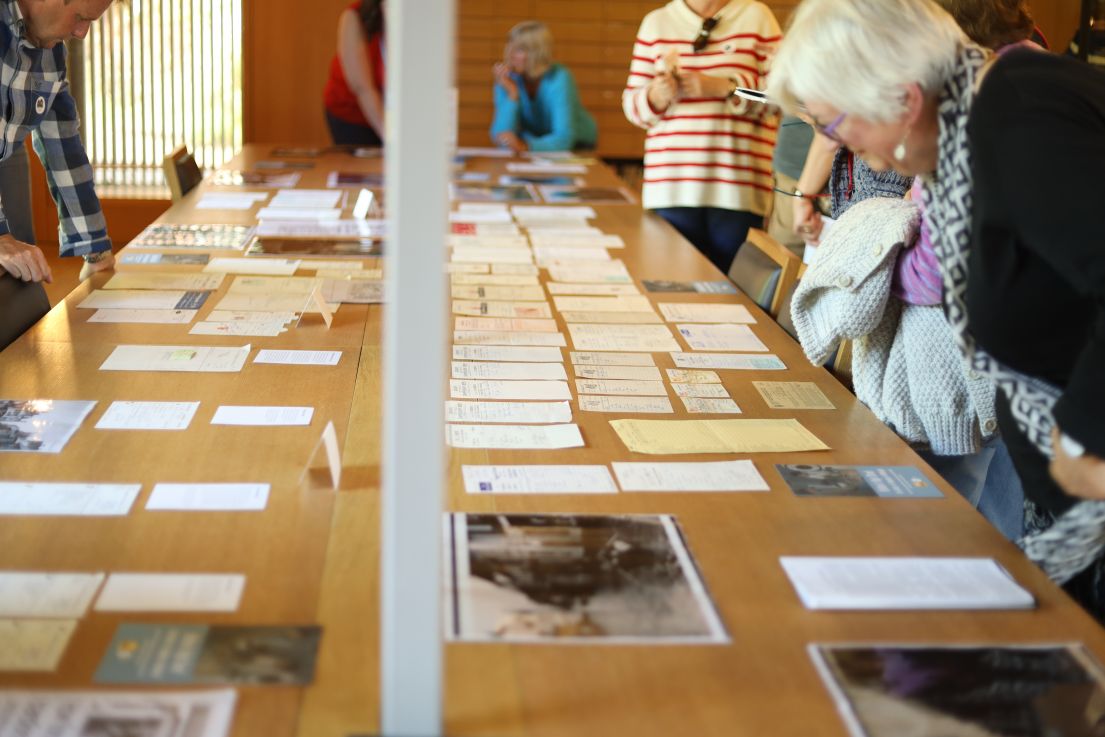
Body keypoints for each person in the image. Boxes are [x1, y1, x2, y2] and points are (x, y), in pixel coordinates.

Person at [768, 0, 1105, 615]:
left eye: (836, 126)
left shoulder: (1022, 119)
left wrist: (1090, 437)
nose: (847, 151)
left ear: (902, 98)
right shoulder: (973, 129)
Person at [622, 0, 781, 273]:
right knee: (669, 287)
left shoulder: (757, 17)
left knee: (739, 298)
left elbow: (782, 98)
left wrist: (728, 88)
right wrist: (655, 95)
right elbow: (632, 107)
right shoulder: (656, 22)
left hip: (738, 186)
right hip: (671, 187)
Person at [0, 0, 117, 350]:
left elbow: (62, 143)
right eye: (80, 17)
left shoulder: (50, 53)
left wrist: (95, 249)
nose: (82, 32)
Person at [490, 21, 596, 154]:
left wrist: (524, 145)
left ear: (537, 53)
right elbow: (500, 134)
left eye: (519, 49)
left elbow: (564, 138)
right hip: (533, 146)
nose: (510, 55)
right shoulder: (507, 80)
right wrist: (512, 94)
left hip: (577, 145)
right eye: (509, 46)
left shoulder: (560, 78)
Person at [323, 0, 385, 146]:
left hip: (391, 108)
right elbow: (363, 88)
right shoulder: (354, 17)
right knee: (364, 165)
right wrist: (393, 141)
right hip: (351, 110)